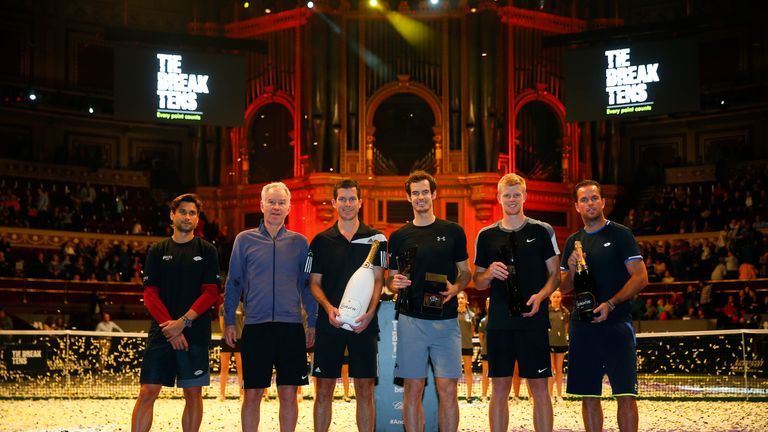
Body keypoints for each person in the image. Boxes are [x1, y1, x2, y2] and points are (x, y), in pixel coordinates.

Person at [223, 182, 317, 432]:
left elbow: (307, 286)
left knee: (289, 394)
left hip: (291, 328)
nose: (276, 207)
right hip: (256, 327)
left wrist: (313, 323)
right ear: (261, 205)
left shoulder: (300, 243)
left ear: (289, 207)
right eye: (271, 202)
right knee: (252, 394)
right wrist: (230, 320)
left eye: (281, 202)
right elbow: (233, 282)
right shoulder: (244, 240)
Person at [473, 173, 560, 432]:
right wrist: (488, 273)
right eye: (507, 195)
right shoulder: (486, 235)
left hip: (533, 319)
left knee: (539, 388)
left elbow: (555, 275)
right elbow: (477, 281)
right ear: (498, 198)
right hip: (500, 322)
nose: (512, 199)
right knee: (499, 388)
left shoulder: (542, 230)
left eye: (516, 194)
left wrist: (541, 296)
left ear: (525, 196)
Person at [560, 180, 648, 432]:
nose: (590, 203)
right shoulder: (573, 242)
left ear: (603, 202)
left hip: (617, 324)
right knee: (589, 395)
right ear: (576, 206)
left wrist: (611, 303)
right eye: (584, 200)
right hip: (583, 327)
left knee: (625, 394)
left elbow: (641, 277)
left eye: (594, 198)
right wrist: (573, 267)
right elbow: (564, 287)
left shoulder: (621, 234)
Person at [388, 170, 471, 432]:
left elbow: (466, 272)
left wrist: (456, 287)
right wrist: (394, 284)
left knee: (448, 390)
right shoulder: (399, 236)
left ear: (434, 194)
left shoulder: (454, 231)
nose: (421, 197)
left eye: (425, 192)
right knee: (413, 388)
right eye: (415, 193)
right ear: (408, 198)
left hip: (446, 322)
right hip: (411, 322)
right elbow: (391, 280)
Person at [131, 193, 220, 432]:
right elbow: (150, 294)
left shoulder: (208, 250)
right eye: (183, 212)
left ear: (197, 218)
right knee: (147, 391)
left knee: (192, 394)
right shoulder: (157, 251)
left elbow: (211, 293)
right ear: (172, 215)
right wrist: (171, 329)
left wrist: (182, 323)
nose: (187, 217)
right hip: (162, 332)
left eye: (192, 213)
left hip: (194, 333)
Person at [307, 178, 387, 432]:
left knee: (364, 390)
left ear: (361, 202)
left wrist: (371, 312)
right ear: (333, 202)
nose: (348, 203)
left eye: (352, 199)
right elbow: (314, 283)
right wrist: (329, 308)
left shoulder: (376, 239)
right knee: (324, 389)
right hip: (330, 324)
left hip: (364, 325)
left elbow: (378, 280)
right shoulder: (320, 241)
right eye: (342, 199)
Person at [218, 301, 244, 401]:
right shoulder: (222, 306)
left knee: (241, 368)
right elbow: (221, 324)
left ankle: (242, 394)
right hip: (226, 339)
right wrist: (227, 336)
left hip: (239, 339)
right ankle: (222, 394)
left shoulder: (242, 306)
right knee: (224, 367)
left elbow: (244, 322)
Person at [547, 290, 569, 403]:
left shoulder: (565, 312)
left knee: (559, 369)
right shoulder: (546, 311)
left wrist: (563, 338)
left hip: (561, 343)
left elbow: (565, 328)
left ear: (561, 298)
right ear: (550, 298)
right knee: (551, 369)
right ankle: (550, 395)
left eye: (558, 297)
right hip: (549, 343)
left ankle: (559, 395)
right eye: (554, 296)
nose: (556, 299)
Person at [457, 291, 475, 401]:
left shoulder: (471, 315)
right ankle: (455, 395)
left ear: (466, 300)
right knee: (455, 371)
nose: (460, 300)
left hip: (467, 346)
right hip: (455, 347)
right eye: (458, 298)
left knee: (468, 370)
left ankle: (469, 396)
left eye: (462, 298)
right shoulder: (453, 314)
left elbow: (472, 332)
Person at [477, 298, 490, 401]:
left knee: (497, 376)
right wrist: (484, 346)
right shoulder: (483, 321)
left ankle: (496, 395)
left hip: (498, 352)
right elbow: (481, 336)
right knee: (485, 373)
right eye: (488, 303)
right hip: (486, 351)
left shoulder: (500, 320)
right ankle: (484, 395)